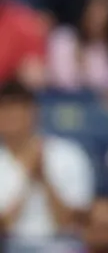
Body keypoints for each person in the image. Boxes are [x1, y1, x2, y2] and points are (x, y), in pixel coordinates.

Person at [0, 80, 95, 241]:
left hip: (62, 245)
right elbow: (5, 225)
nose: (12, 118)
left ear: (34, 112)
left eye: (18, 110)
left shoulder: (69, 154)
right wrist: (28, 180)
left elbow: (71, 223)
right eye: (5, 111)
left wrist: (44, 178)